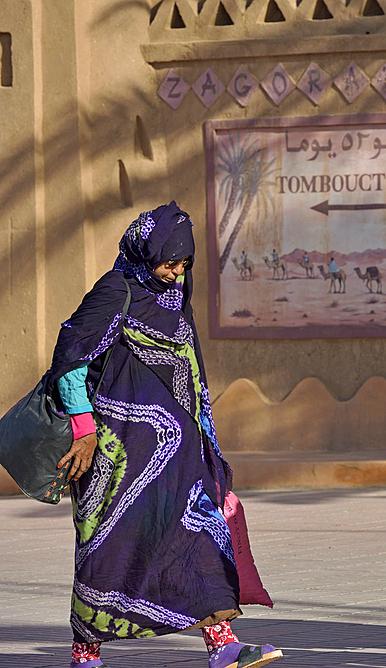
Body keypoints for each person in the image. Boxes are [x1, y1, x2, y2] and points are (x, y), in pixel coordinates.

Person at [49, 202, 282, 668]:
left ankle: (223, 644)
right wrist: (84, 429)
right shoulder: (116, 289)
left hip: (179, 455)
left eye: (184, 264)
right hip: (116, 455)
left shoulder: (175, 292)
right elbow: (70, 357)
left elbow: (186, 365)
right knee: (111, 551)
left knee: (198, 536)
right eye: (169, 262)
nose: (176, 273)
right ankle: (85, 653)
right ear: (144, 250)